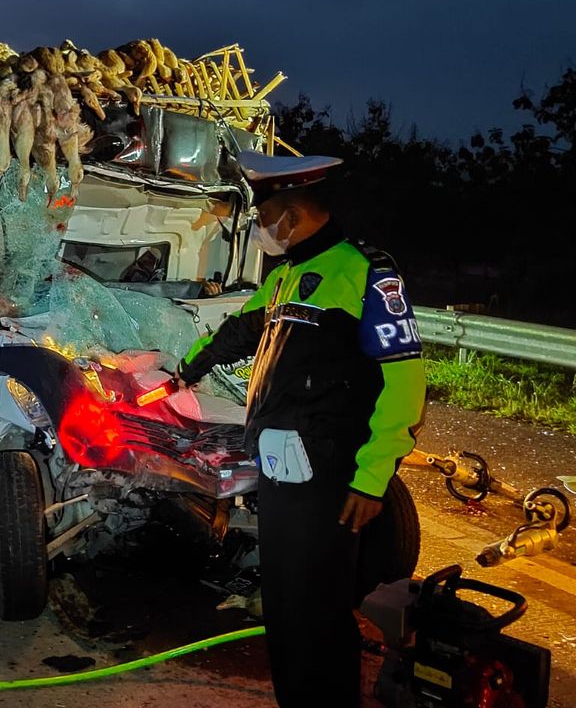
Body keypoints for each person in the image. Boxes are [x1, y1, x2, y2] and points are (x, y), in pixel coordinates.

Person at [175, 150, 426, 707]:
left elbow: (405, 383)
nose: (262, 232)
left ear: (290, 216)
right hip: (283, 467)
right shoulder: (288, 275)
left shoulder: (365, 273)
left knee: (318, 607)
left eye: (265, 220)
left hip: (332, 474)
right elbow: (240, 330)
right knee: (286, 604)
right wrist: (186, 368)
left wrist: (372, 478)